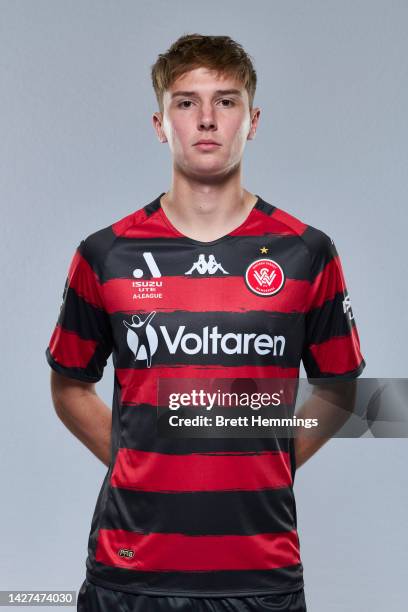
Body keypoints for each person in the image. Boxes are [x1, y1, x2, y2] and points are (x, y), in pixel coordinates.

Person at [45, 33, 366, 612]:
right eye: (186, 102)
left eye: (227, 100)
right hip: (131, 574)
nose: (208, 119)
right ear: (161, 123)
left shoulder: (306, 252)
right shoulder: (106, 253)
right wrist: (130, 457)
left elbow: (340, 388)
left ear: (254, 119)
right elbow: (69, 382)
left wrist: (272, 455)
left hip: (259, 575)